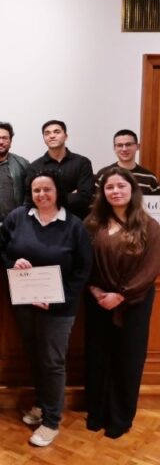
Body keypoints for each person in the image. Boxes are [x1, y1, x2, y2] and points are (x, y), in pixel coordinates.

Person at [0, 169, 92, 447]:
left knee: (52, 362)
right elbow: (1, 249)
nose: (42, 195)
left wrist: (59, 299)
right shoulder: (18, 217)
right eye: (36, 190)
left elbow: (83, 269)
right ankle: (41, 404)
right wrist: (12, 264)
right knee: (35, 356)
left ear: (58, 192)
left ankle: (51, 421)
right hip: (25, 302)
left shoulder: (74, 225)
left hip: (58, 307)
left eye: (47, 189)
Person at [84, 168, 160, 439]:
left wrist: (122, 295)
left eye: (121, 186)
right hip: (98, 300)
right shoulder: (93, 223)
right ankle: (97, 412)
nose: (115, 191)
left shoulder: (149, 226)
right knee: (98, 356)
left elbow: (151, 267)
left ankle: (120, 417)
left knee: (128, 358)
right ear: (102, 193)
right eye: (109, 187)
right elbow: (83, 259)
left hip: (134, 302)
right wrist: (95, 291)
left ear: (132, 190)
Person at [25, 120, 94, 219]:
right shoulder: (35, 167)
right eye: (47, 133)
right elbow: (31, 199)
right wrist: (71, 195)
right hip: (46, 222)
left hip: (77, 219)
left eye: (57, 132)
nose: (52, 136)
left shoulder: (82, 163)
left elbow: (85, 197)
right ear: (44, 138)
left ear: (66, 136)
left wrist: (49, 198)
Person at [94, 129, 159, 195]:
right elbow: (96, 201)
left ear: (137, 147)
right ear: (114, 148)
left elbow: (156, 201)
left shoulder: (150, 177)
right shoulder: (103, 175)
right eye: (119, 145)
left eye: (128, 144)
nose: (124, 149)